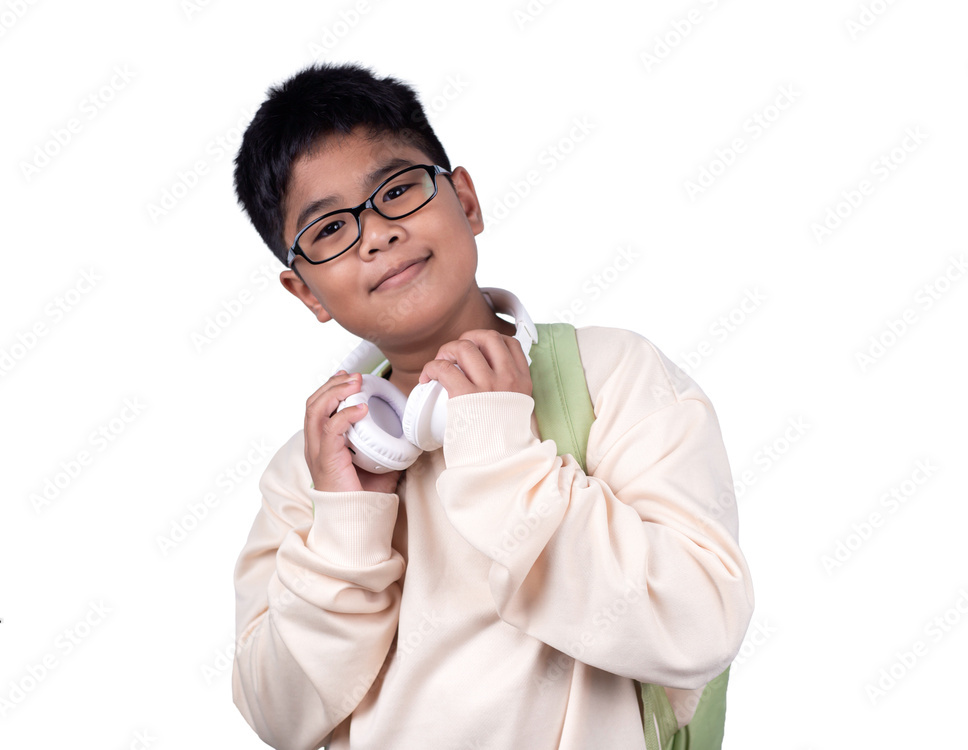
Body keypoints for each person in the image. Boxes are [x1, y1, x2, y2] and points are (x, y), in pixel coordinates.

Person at [230, 60, 754, 750]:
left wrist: (503, 458)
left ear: (467, 202)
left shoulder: (611, 376)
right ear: (308, 294)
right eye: (329, 230)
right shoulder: (314, 470)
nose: (377, 233)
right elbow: (279, 715)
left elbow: (700, 624)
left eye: (397, 190)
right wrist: (347, 522)